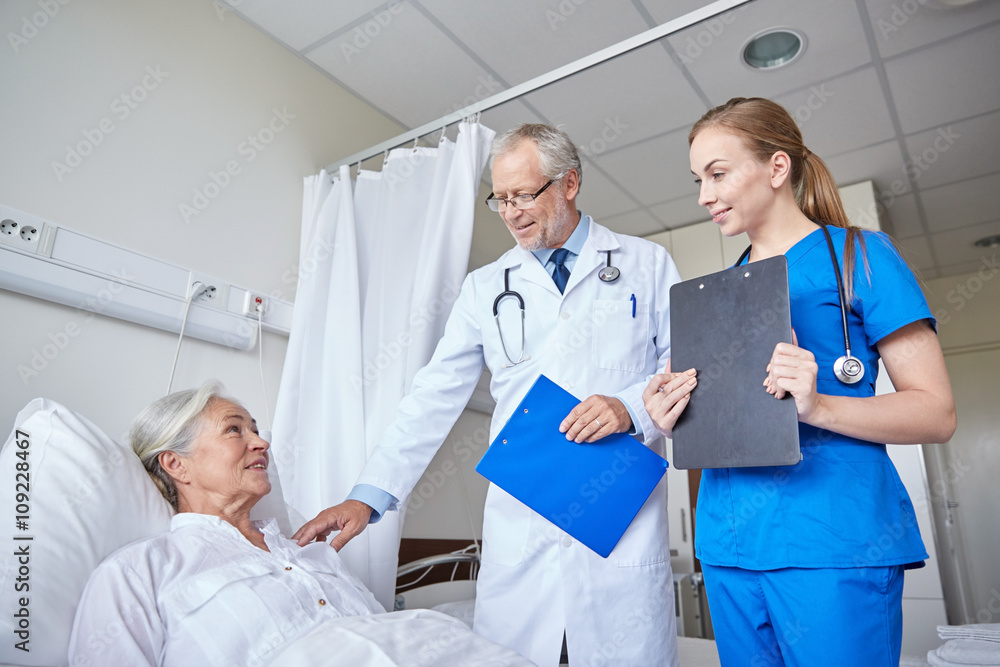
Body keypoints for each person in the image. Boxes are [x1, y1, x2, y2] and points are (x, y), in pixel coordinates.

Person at [294, 123, 683, 667]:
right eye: (500, 199)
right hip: (525, 525)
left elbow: (685, 367)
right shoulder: (485, 287)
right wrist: (368, 497)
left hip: (619, 523)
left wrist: (630, 407)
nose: (510, 212)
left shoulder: (647, 264)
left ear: (569, 184)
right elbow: (432, 396)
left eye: (523, 195)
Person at [643, 97, 957, 666]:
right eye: (697, 180)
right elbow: (730, 423)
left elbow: (936, 413)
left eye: (717, 174)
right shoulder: (719, 295)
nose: (704, 195)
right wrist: (673, 416)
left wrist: (820, 407)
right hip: (729, 545)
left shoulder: (860, 257)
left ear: (777, 168)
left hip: (832, 536)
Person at [68, 383, 532, 667]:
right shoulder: (139, 573)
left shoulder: (311, 554)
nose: (260, 442)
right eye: (235, 430)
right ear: (176, 464)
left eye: (256, 429)